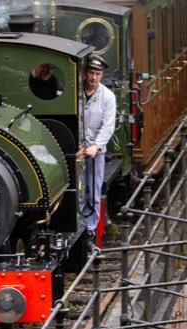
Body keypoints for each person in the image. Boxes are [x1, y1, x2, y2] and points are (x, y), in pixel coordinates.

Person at [77, 55, 116, 249]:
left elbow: (108, 126)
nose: (93, 77)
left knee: (93, 192)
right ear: (85, 73)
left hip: (95, 151)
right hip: (77, 150)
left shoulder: (108, 96)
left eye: (97, 74)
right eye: (91, 73)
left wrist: (96, 146)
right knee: (77, 191)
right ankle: (77, 227)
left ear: (102, 75)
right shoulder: (76, 93)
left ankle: (90, 232)